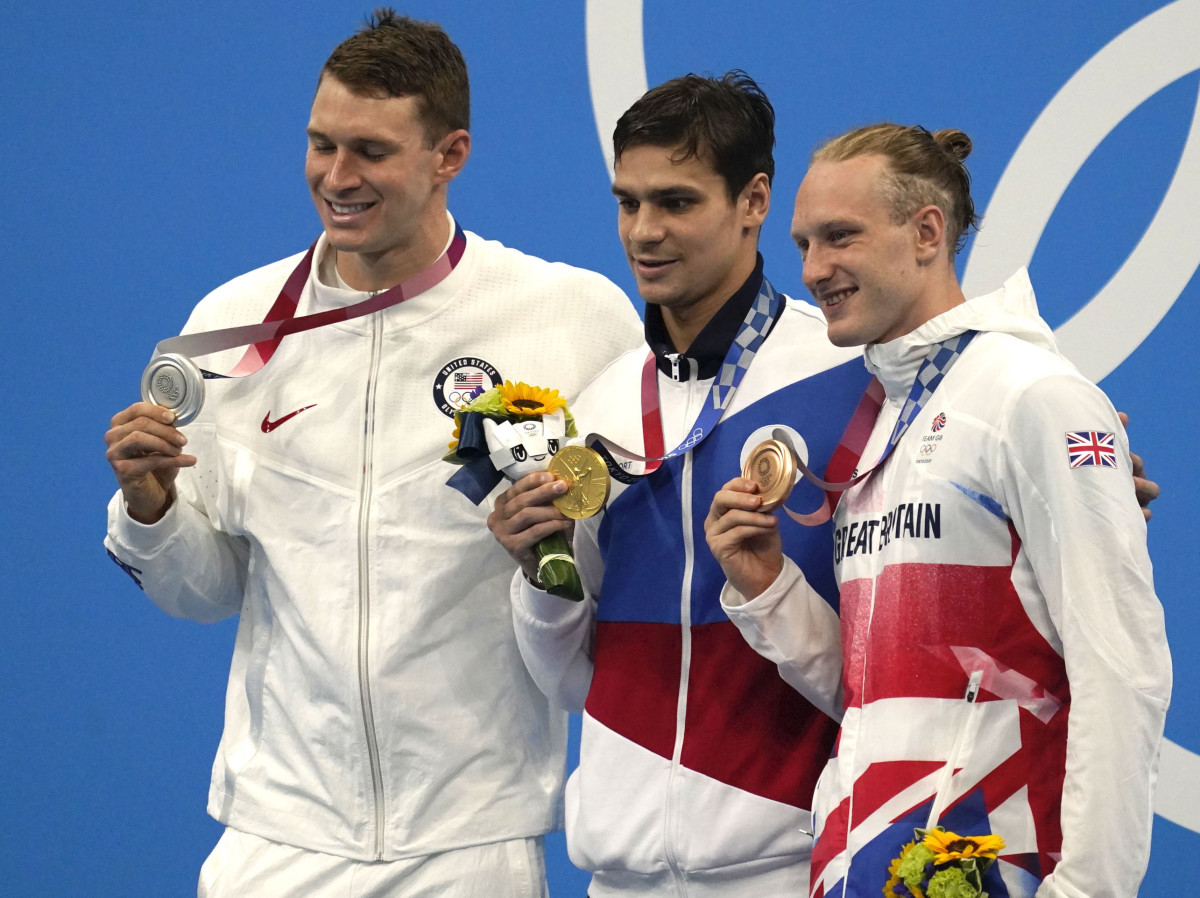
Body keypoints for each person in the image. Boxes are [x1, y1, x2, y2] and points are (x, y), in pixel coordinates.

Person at [103, 11, 641, 897]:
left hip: (469, 838)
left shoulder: (573, 317)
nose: (336, 177)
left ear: (449, 154)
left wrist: (550, 554)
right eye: (321, 144)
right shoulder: (230, 330)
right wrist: (152, 507)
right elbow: (207, 593)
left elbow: (626, 560)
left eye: (370, 152)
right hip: (276, 833)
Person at [705, 123, 1171, 898]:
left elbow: (1122, 667)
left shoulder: (1031, 395)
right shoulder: (879, 423)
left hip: (1003, 864)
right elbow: (884, 696)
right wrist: (769, 588)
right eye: (804, 245)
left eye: (840, 237)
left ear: (928, 232)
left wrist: (1087, 890)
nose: (814, 270)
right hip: (865, 869)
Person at [488, 72, 874, 896]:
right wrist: (540, 579)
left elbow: (884, 668)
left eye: (675, 202)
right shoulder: (602, 406)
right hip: (619, 874)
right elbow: (571, 681)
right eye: (628, 203)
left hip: (786, 866)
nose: (644, 232)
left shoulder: (851, 379)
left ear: (753, 200)